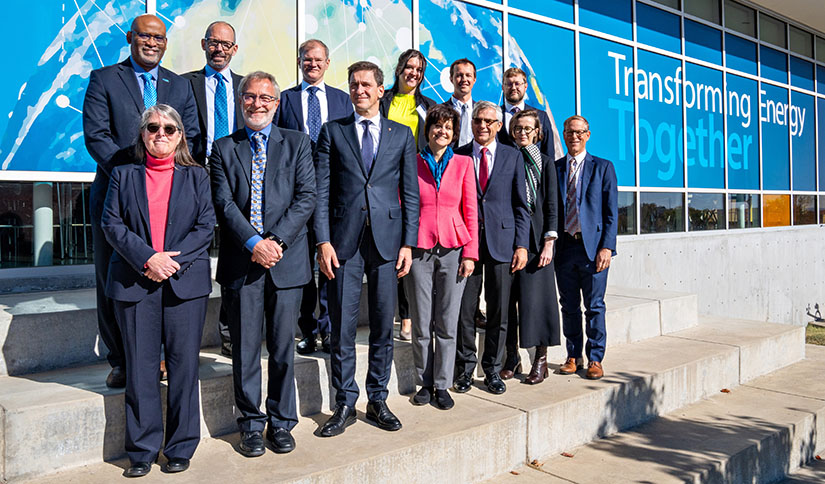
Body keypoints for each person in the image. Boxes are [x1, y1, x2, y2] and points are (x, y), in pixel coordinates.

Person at [83, 13, 200, 388]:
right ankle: (120, 359)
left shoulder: (179, 86)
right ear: (131, 37)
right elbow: (96, 136)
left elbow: (192, 136)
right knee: (113, 277)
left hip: (170, 197)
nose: (152, 43)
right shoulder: (104, 79)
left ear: (166, 43)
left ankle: (161, 354)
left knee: (166, 274)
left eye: (159, 38)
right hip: (118, 196)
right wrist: (136, 171)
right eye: (145, 36)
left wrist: (168, 167)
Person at [100, 104, 215, 477]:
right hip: (136, 281)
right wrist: (149, 258)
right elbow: (112, 224)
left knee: (183, 368)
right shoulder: (123, 174)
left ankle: (181, 447)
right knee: (141, 368)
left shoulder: (197, 176)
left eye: (168, 128)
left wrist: (171, 261)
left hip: (184, 283)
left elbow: (206, 226)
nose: (160, 134)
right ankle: (143, 449)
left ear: (180, 135)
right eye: (152, 128)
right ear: (142, 134)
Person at [210, 71, 316, 456]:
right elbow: (223, 203)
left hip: (286, 263)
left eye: (265, 98)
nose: (257, 104)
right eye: (250, 97)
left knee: (284, 348)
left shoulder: (298, 143)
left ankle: (282, 422)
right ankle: (252, 424)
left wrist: (275, 241)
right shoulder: (223, 148)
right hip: (243, 262)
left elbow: (306, 197)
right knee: (245, 349)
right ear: (241, 101)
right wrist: (254, 242)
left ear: (276, 103)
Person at [314, 61, 419, 437]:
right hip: (343, 243)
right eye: (354, 84)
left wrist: (409, 242)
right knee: (341, 326)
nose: (359, 90)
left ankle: (377, 398)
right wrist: (323, 241)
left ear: (379, 90)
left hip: (388, 243)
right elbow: (321, 192)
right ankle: (344, 402)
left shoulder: (402, 135)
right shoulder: (332, 132)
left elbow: (410, 193)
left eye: (366, 85)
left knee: (382, 324)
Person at [276, 39, 353, 356]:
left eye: (318, 59)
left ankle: (329, 329)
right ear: (299, 62)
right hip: (297, 194)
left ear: (327, 62)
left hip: (334, 193)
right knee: (304, 265)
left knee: (330, 263)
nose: (312, 64)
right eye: (307, 59)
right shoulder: (285, 100)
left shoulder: (342, 101)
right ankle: (308, 329)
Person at [453, 101, 529, 396]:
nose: (481, 126)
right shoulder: (458, 155)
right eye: (476, 120)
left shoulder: (512, 157)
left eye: (488, 121)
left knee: (499, 311)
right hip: (466, 246)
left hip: (502, 244)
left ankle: (493, 370)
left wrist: (521, 245)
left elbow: (521, 205)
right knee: (465, 311)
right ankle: (465, 370)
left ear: (499, 126)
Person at [407, 104, 477, 410]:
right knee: (422, 321)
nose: (442, 131)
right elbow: (405, 204)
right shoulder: (412, 162)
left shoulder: (463, 164)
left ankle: (442, 383)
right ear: (429, 129)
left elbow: (471, 211)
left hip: (454, 248)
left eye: (448, 127)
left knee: (448, 321)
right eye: (437, 126)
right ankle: (424, 381)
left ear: (454, 132)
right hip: (420, 247)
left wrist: (470, 253)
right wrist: (405, 248)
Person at [182, 20, 244, 357]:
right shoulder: (184, 85)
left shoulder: (244, 87)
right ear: (204, 45)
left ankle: (229, 334)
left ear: (234, 49)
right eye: (213, 42)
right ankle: (185, 335)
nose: (218, 48)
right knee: (193, 254)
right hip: (195, 176)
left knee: (235, 256)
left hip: (235, 180)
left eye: (225, 44)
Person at [379, 49, 438, 341]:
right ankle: (397, 312)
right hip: (385, 182)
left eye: (418, 68)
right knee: (391, 246)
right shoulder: (383, 100)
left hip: (417, 183)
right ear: (399, 69)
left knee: (411, 246)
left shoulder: (428, 105)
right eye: (408, 66)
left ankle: (408, 315)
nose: (413, 72)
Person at [555, 115, 618, 381]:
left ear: (588, 135)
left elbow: (611, 212)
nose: (575, 137)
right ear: (564, 133)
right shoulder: (556, 168)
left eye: (580, 132)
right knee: (568, 305)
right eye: (570, 132)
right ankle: (573, 355)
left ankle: (595, 358)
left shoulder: (603, 167)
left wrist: (607, 247)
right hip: (564, 247)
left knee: (594, 306)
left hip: (593, 249)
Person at [500, 109, 560, 385]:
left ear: (537, 132)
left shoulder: (546, 163)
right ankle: (512, 356)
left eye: (527, 128)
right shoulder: (507, 158)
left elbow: (552, 205)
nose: (522, 133)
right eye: (517, 128)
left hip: (538, 242)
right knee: (507, 300)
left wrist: (549, 242)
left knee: (538, 302)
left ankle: (541, 359)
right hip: (509, 238)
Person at [497, 67, 557, 161]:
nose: (513, 88)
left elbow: (548, 155)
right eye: (509, 84)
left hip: (533, 173)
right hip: (504, 173)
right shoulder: (495, 116)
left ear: (525, 86)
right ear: (503, 88)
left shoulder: (541, 117)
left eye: (517, 84)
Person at [442, 59, 477, 147]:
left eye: (468, 75)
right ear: (451, 79)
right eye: (459, 75)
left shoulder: (481, 111)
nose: (464, 79)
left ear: (474, 79)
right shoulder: (440, 111)